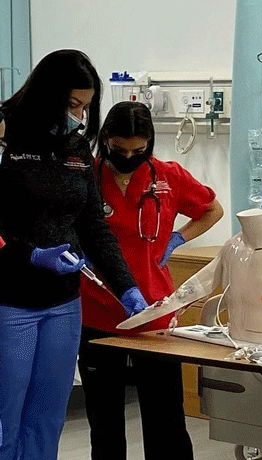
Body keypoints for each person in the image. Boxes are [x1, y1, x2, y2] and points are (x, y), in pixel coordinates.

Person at [0, 50, 148, 460]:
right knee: (4, 417)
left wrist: (127, 287)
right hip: (9, 300)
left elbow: (93, 227)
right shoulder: (4, 134)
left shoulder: (75, 147)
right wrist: (29, 256)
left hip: (63, 303)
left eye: (85, 106)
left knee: (47, 418)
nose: (79, 116)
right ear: (46, 93)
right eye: (71, 105)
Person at [77, 101, 223, 460]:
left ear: (150, 144)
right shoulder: (86, 176)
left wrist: (179, 238)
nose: (127, 156)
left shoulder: (167, 177)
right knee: (104, 420)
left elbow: (212, 210)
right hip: (97, 314)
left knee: (166, 418)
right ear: (105, 139)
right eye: (119, 148)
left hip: (154, 314)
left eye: (137, 150)